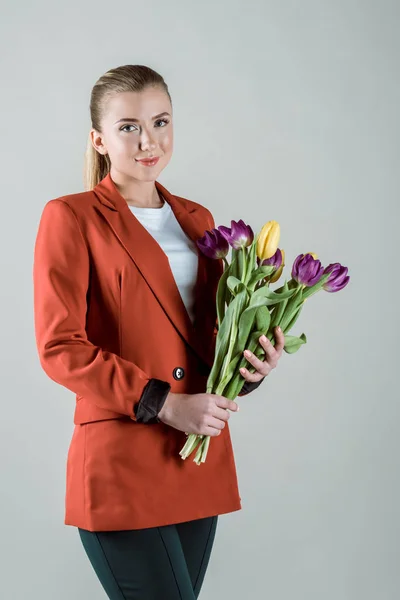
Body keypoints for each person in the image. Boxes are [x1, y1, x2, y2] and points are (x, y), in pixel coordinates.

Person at [33, 64, 285, 600]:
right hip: (122, 458)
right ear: (99, 140)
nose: (148, 141)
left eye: (160, 121)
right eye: (128, 127)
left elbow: (209, 336)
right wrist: (166, 403)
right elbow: (60, 348)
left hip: (196, 460)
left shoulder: (199, 219)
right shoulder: (71, 217)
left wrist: (250, 365)